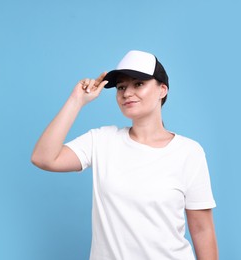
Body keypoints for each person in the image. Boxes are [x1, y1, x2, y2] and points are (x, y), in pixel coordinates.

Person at [31, 50, 218, 260]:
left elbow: (202, 230)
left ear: (162, 90)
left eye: (138, 84)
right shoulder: (102, 140)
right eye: (121, 87)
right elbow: (43, 157)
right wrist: (77, 100)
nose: (127, 93)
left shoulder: (189, 152)